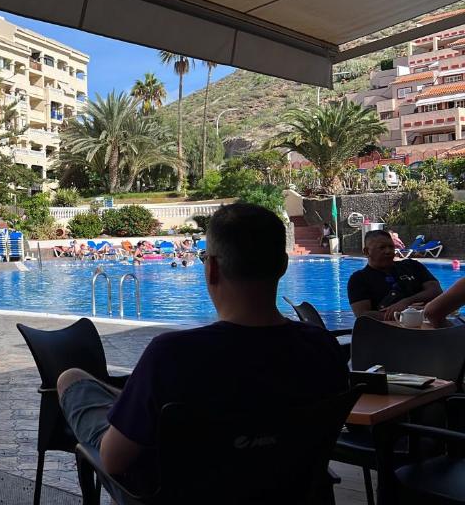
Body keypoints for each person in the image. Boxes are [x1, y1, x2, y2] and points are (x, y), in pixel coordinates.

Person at [56, 204, 348, 495]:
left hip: (179, 494)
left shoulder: (173, 355)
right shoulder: (322, 347)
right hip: (288, 490)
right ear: (283, 266)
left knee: (71, 380)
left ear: (212, 268)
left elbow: (114, 461)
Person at [348, 230, 441, 320]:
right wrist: (407, 314)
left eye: (391, 247)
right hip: (387, 332)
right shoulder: (359, 279)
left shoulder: (412, 266)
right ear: (366, 252)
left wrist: (406, 302)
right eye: (382, 247)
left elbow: (436, 290)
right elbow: (363, 315)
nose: (388, 251)